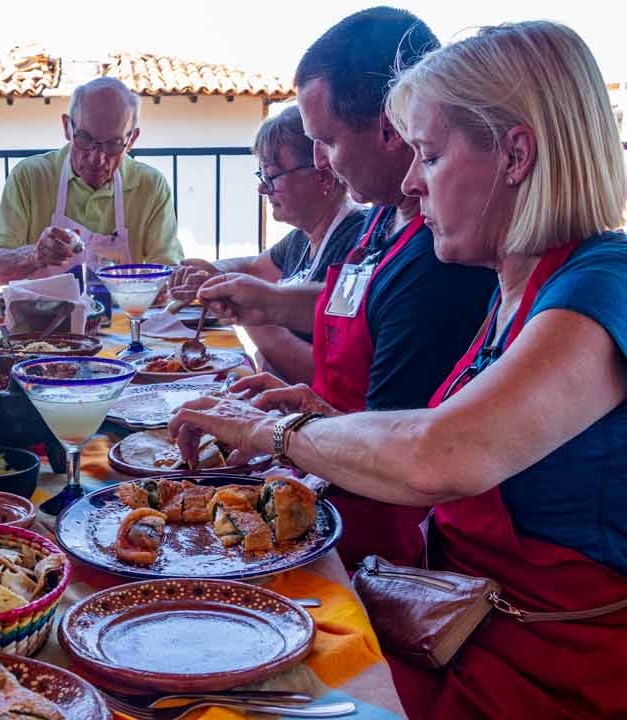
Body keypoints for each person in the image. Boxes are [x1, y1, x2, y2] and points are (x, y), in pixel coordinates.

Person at [170, 20, 627, 718]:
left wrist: (273, 432)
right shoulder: (512, 289)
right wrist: (323, 418)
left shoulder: (603, 283)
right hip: (453, 625)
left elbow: (443, 454)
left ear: (516, 155)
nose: (412, 181)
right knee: (199, 654)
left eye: (430, 156)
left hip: (538, 675)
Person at [186, 7, 497, 569]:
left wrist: (275, 430)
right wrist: (270, 304)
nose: (321, 163)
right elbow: (367, 306)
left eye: (325, 141)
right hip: (321, 477)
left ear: (388, 127)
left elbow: (394, 455)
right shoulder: (383, 216)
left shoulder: (441, 258)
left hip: (365, 539)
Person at [170, 106, 365, 384]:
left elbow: (326, 377)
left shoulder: (358, 244)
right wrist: (213, 272)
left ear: (322, 175)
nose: (263, 188)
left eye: (271, 176)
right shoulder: (302, 237)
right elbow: (252, 266)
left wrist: (251, 316)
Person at [0, 77, 183, 286]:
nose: (97, 159)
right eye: (85, 139)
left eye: (113, 144)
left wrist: (175, 282)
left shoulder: (150, 186)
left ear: (131, 140)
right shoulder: (31, 177)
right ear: (67, 127)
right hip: (43, 308)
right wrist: (34, 257)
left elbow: (170, 272)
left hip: (124, 308)